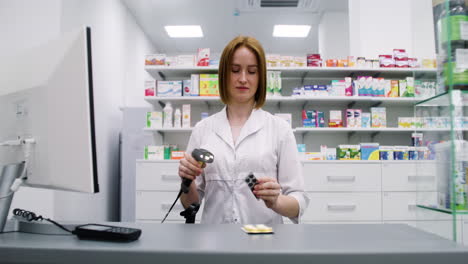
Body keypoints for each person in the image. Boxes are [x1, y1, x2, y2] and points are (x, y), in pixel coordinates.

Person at [178, 36, 309, 224]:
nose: (243, 79)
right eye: (235, 70)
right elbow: (191, 204)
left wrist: (276, 201)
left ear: (261, 77)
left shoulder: (279, 130)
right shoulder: (203, 130)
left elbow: (299, 201)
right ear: (224, 74)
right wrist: (187, 181)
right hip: (215, 243)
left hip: (264, 243)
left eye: (252, 71)